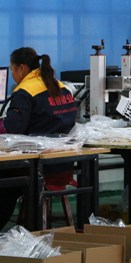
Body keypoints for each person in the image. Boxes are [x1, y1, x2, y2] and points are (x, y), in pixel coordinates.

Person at [0, 47, 77, 231]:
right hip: (63, 166)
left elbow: (12, 128)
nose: (12, 75)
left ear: (21, 68)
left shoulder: (25, 91)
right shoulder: (62, 87)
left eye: (12, 69)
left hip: (37, 169)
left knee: (4, 181)